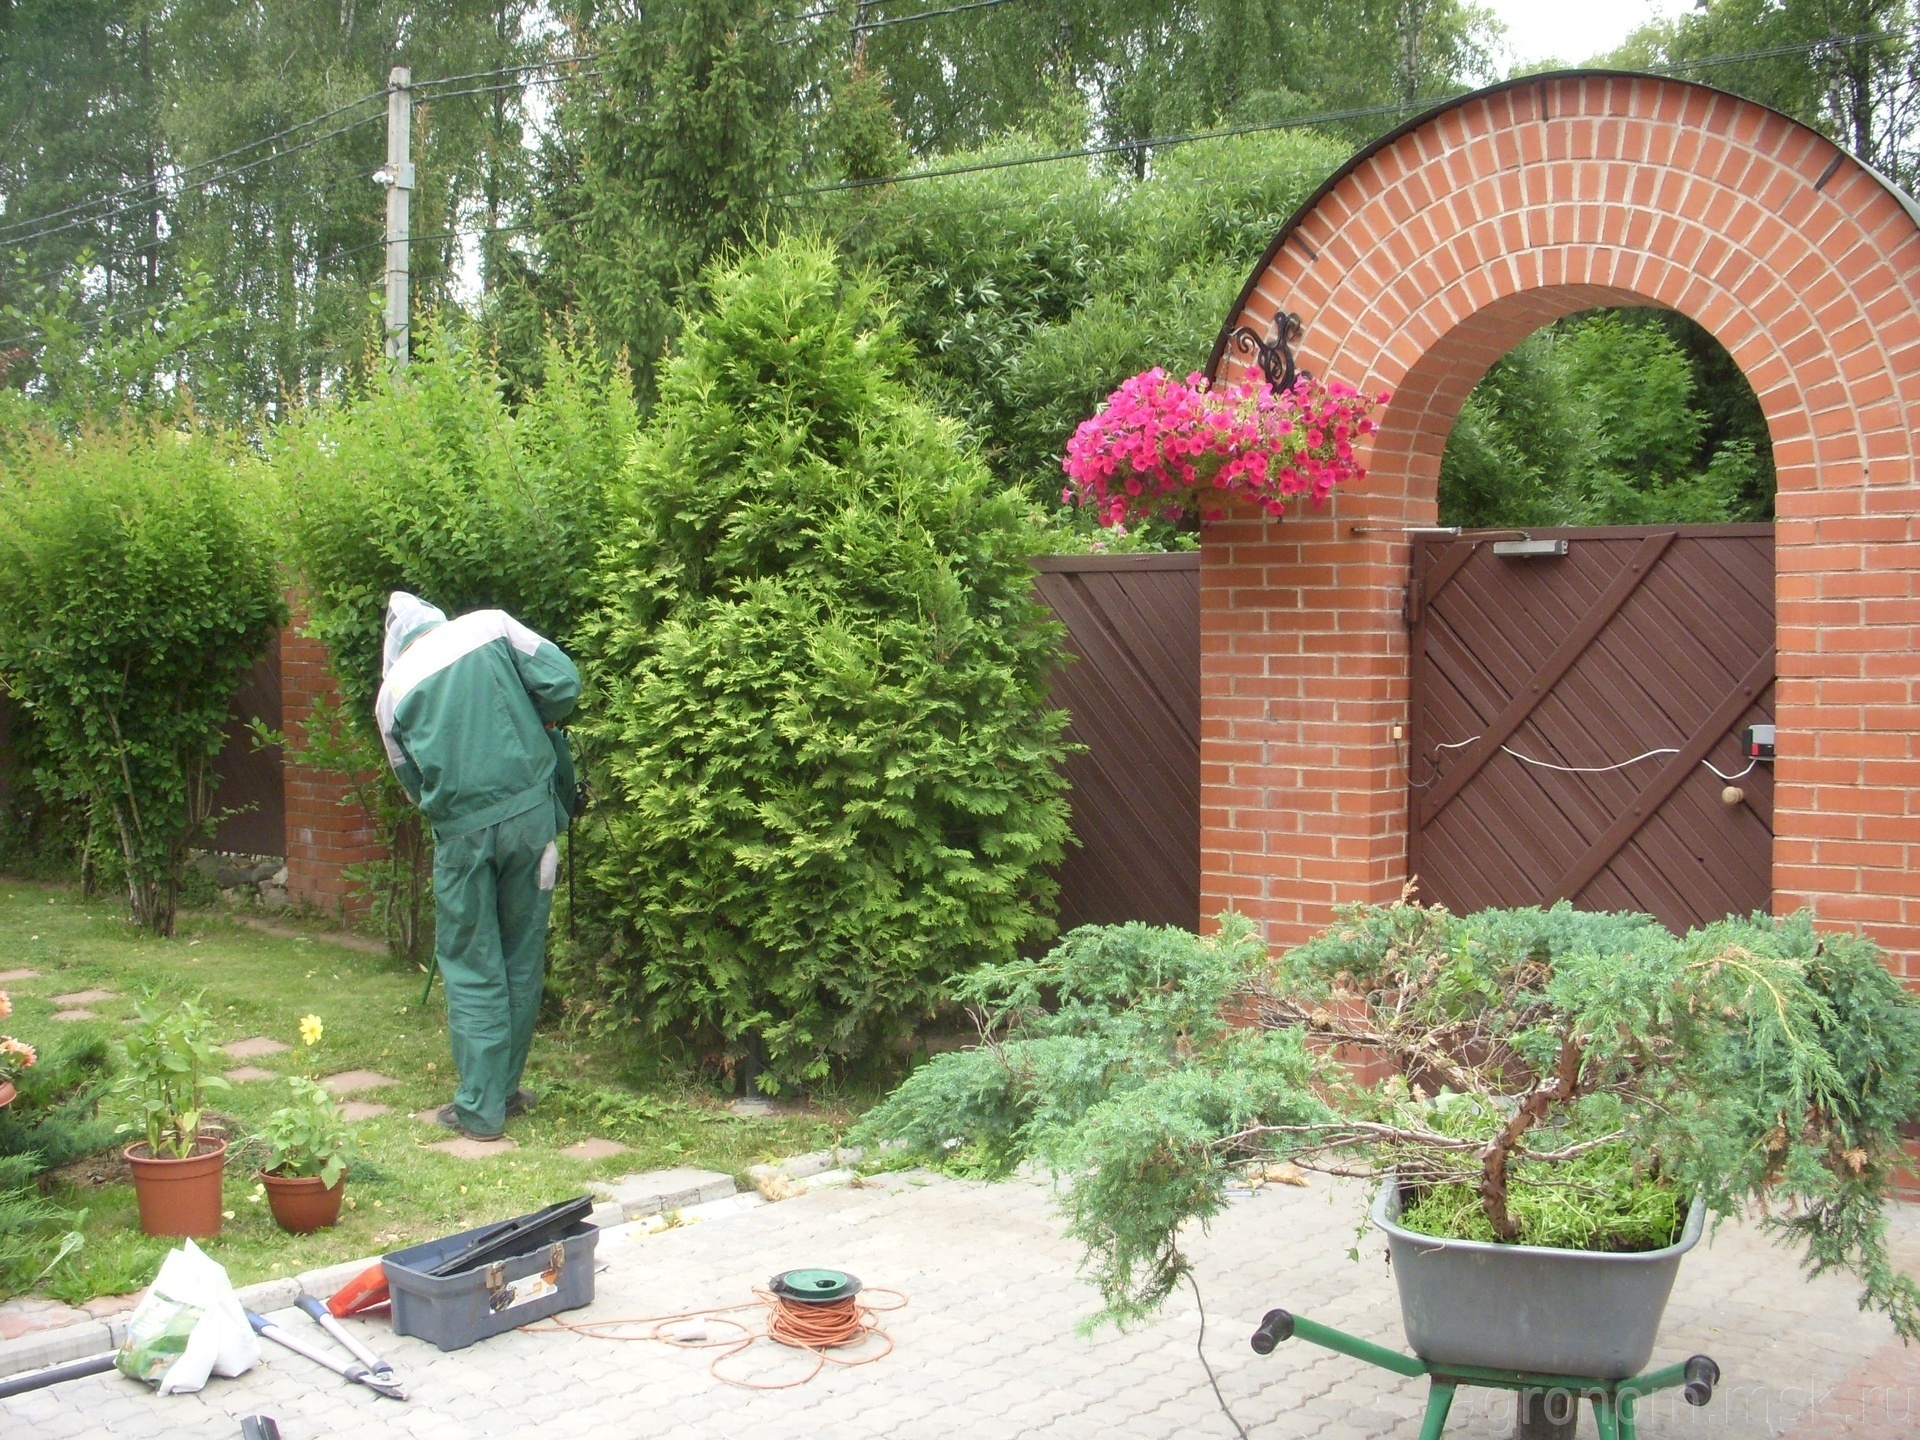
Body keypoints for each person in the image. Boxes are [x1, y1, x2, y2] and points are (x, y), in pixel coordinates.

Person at [374, 593, 580, 1140]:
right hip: (532, 822)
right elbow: (564, 684)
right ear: (437, 618)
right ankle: (506, 1091)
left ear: (394, 643)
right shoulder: (491, 626)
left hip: (461, 837)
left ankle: (480, 1108)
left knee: (471, 964)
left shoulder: (391, 692)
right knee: (521, 951)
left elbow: (411, 782)